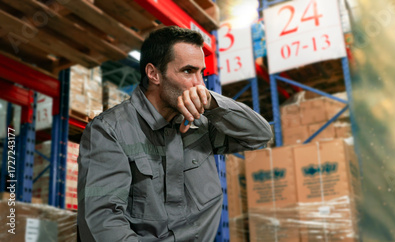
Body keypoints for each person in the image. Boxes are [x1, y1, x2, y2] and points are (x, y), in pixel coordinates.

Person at [77, 26, 272, 241]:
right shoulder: (110, 130)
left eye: (202, 73)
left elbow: (260, 135)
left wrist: (213, 102)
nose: (199, 84)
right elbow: (102, 221)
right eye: (188, 71)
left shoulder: (203, 122)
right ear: (153, 74)